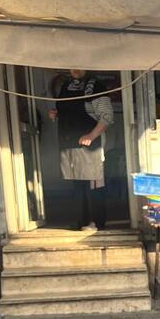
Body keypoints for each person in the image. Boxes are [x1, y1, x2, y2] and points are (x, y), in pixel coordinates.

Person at [48, 70, 113, 230]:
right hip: (69, 143)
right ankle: (81, 221)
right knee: (77, 184)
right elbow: (68, 112)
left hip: (91, 145)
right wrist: (56, 114)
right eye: (72, 67)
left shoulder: (97, 86)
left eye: (79, 66)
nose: (75, 70)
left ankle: (96, 222)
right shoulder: (66, 86)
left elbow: (107, 116)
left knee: (93, 184)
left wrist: (91, 135)